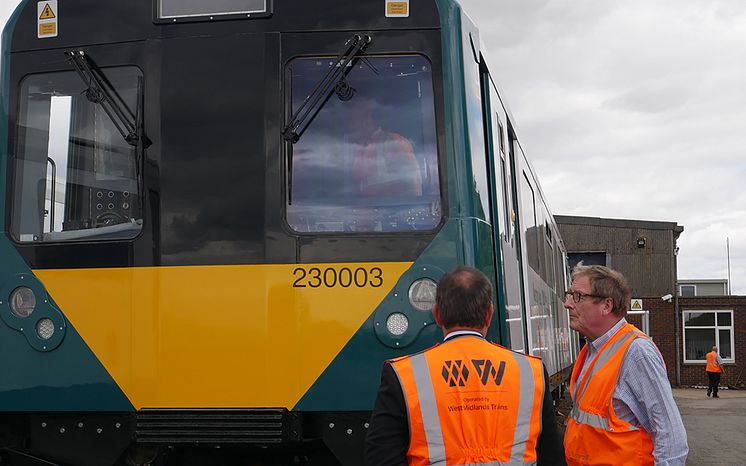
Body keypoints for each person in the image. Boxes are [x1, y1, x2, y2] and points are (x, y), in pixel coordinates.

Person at [365, 265, 565, 466]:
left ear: (437, 315)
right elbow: (551, 456)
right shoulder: (530, 372)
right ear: (489, 314)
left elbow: (382, 459)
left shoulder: (404, 375)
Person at [563, 265, 688, 466]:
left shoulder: (636, 353)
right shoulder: (593, 350)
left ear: (606, 305)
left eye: (577, 296)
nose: (567, 304)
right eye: (569, 295)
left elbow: (670, 434)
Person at [350, 98, 422, 198]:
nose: (351, 125)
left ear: (367, 120)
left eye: (354, 119)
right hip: (361, 210)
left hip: (390, 210)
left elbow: (413, 185)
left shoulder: (395, 141)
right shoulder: (356, 148)